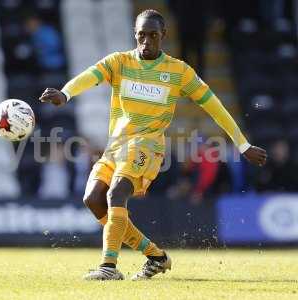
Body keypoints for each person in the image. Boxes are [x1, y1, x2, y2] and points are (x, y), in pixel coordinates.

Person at [39, 9, 267, 281]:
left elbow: (215, 107)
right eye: (141, 35)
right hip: (116, 146)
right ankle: (156, 257)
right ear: (135, 35)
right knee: (93, 200)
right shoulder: (120, 62)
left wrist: (242, 145)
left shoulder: (178, 71)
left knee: (115, 194)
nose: (146, 41)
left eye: (153, 36)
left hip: (147, 147)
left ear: (164, 36)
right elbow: (90, 75)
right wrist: (65, 93)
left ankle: (108, 267)